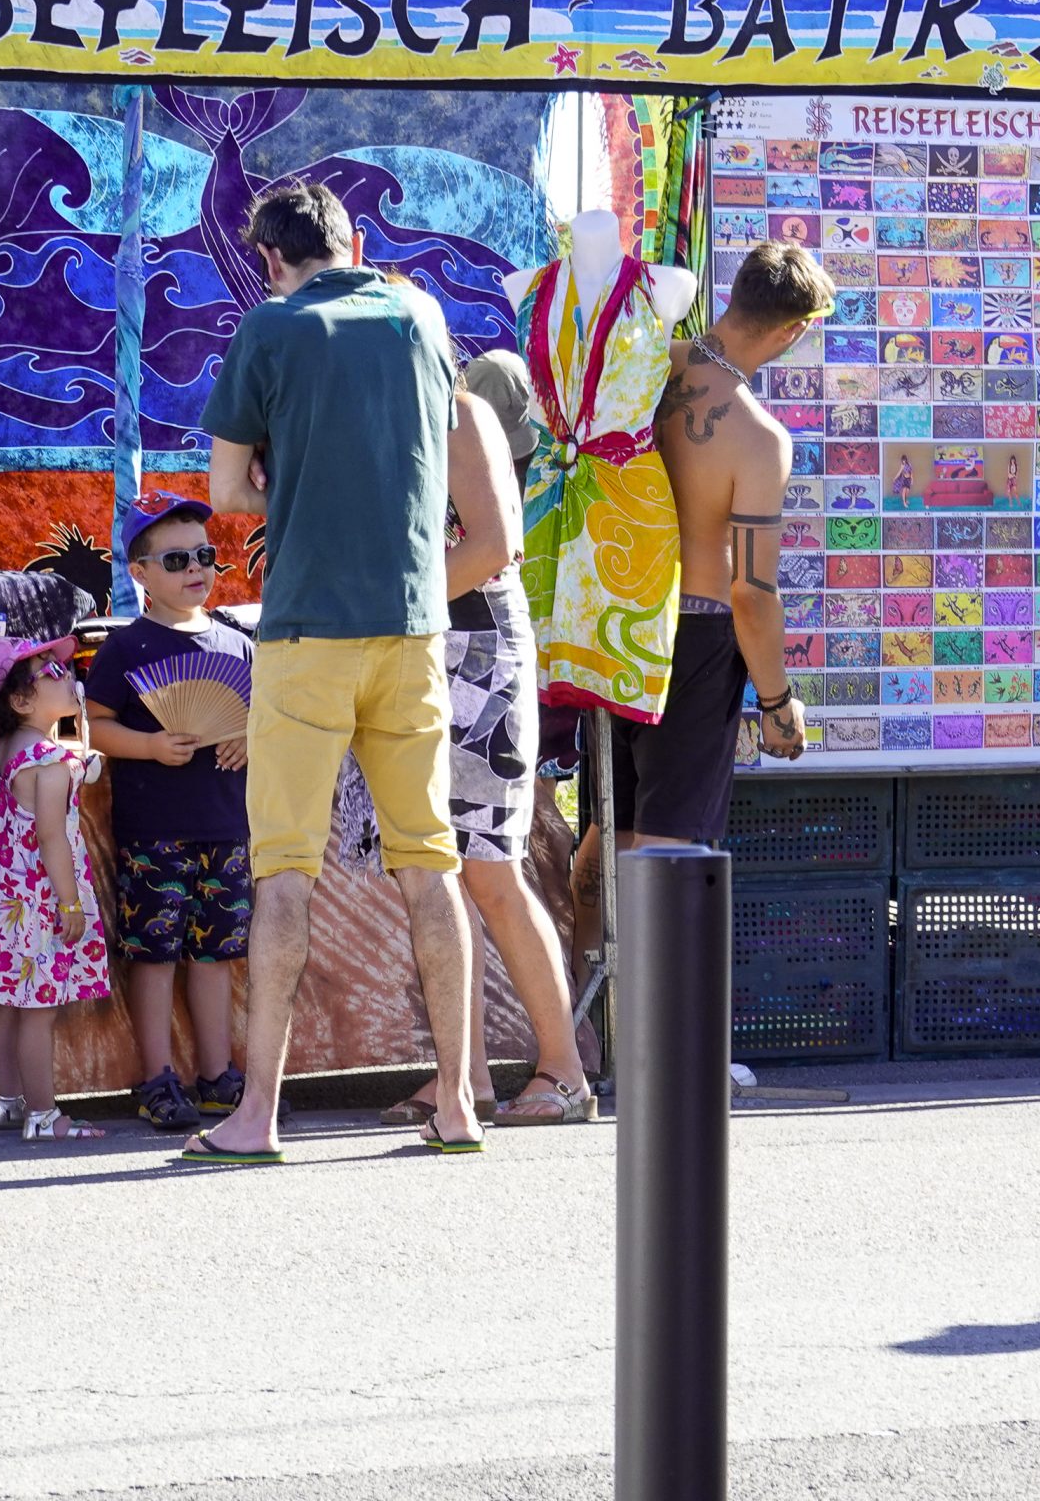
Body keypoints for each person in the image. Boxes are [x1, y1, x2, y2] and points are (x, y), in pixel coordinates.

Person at [188, 181, 480, 1163]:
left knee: (284, 874)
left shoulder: (270, 327)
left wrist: (280, 473)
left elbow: (227, 491)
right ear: (353, 244)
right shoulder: (420, 316)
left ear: (271, 259)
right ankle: (458, 1104)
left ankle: (256, 1117)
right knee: (429, 865)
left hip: (307, 630)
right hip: (412, 626)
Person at [383, 349, 595, 1128]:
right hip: (424, 647)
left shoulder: (461, 416)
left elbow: (491, 547)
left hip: (475, 649)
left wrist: (386, 603)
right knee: (435, 870)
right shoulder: (395, 421)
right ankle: (462, 1076)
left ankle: (564, 1071)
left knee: (491, 873)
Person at [623, 241, 834, 845]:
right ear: (792, 330)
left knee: (609, 834)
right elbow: (750, 594)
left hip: (613, 617)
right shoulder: (758, 438)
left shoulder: (644, 367)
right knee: (669, 851)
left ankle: (585, 919)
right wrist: (777, 703)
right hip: (694, 642)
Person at [82, 490, 254, 1131]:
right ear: (140, 573)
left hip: (227, 830)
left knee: (215, 957)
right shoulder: (125, 648)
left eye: (205, 555)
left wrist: (250, 734)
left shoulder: (237, 645)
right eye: (177, 559)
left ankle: (218, 1077)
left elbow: (264, 718)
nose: (196, 569)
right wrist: (150, 745)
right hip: (154, 835)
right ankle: (155, 1078)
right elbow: (92, 726)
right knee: (153, 957)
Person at [0, 635, 116, 1142]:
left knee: (8, 1002)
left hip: (3, 902)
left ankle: (7, 1102)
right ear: (22, 700)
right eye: (52, 672)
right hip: (39, 902)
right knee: (38, 1012)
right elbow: (50, 837)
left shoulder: (7, 749)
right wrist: (70, 903)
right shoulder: (48, 762)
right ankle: (44, 1116)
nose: (68, 675)